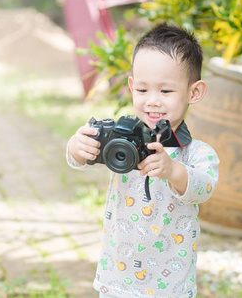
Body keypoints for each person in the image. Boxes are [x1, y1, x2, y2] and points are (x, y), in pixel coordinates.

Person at [66, 23, 219, 298]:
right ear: (131, 87)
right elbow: (78, 157)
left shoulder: (197, 152)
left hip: (169, 284)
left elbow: (203, 188)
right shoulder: (123, 140)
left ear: (194, 92)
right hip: (117, 276)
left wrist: (173, 170)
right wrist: (78, 146)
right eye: (143, 90)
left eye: (166, 91)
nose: (153, 101)